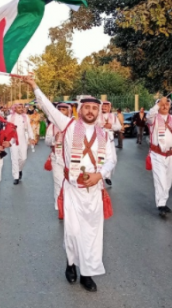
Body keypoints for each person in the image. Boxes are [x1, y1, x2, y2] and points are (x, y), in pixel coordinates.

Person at [28, 76, 117, 292]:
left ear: (98, 112)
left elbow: (112, 159)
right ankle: (70, 263)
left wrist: (100, 175)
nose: (90, 111)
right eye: (86, 107)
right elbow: (48, 108)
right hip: (72, 190)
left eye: (94, 108)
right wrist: (35, 87)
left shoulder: (105, 134)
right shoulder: (67, 125)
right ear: (79, 110)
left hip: (94, 192)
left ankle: (87, 273)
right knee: (73, 232)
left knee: (92, 234)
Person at [45, 102, 73, 215]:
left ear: (69, 111)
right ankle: (60, 208)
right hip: (57, 158)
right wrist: (53, 139)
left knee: (72, 184)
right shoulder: (52, 126)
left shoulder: (75, 124)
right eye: (60, 109)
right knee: (59, 183)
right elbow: (47, 142)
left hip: (73, 161)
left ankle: (71, 206)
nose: (62, 111)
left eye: (64, 109)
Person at [7, 103, 36, 184]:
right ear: (15, 109)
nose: (21, 109)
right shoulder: (9, 118)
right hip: (13, 141)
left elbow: (29, 128)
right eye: (19, 108)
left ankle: (19, 170)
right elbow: (5, 129)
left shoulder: (26, 117)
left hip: (23, 140)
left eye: (22, 107)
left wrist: (32, 138)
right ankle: (16, 177)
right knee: (14, 158)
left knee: (23, 158)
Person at [98, 101, 123, 186]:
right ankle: (103, 176)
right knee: (101, 159)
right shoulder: (97, 116)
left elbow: (119, 127)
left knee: (113, 160)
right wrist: (102, 126)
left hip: (110, 141)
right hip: (99, 141)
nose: (104, 108)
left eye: (106, 106)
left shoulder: (113, 117)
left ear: (109, 107)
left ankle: (106, 175)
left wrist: (111, 126)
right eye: (103, 106)